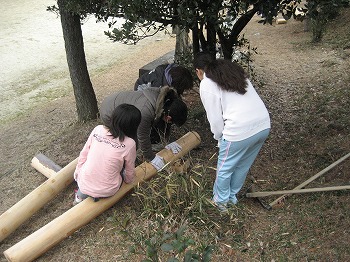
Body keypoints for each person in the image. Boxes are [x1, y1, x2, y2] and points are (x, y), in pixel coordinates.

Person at [193, 56, 271, 212]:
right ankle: (231, 198)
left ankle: (221, 205)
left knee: (224, 168)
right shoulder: (236, 75)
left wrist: (219, 138)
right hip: (263, 125)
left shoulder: (207, 83)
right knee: (242, 165)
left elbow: (215, 119)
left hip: (238, 130)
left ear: (198, 71)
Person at [99, 86, 188, 170]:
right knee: (127, 140)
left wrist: (168, 141)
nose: (170, 124)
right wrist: (151, 157)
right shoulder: (145, 111)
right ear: (168, 118)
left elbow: (163, 124)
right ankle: (121, 165)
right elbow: (142, 135)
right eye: (171, 122)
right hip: (110, 111)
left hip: (122, 106)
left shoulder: (166, 101)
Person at [73, 104, 142, 205]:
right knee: (121, 170)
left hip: (83, 183)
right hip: (108, 190)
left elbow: (84, 154)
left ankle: (79, 196)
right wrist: (128, 181)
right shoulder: (130, 143)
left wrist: (78, 171)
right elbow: (129, 172)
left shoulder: (98, 129)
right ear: (134, 125)